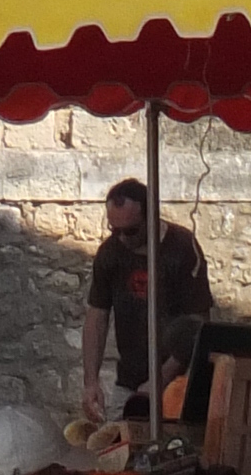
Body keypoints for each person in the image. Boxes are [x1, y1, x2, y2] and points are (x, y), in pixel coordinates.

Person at [79, 180, 209, 426]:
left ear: (151, 218)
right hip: (129, 380)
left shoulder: (181, 248)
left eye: (130, 230)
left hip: (179, 382)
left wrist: (160, 379)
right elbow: (97, 316)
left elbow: (199, 324)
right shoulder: (110, 253)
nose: (121, 238)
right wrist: (91, 382)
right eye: (113, 229)